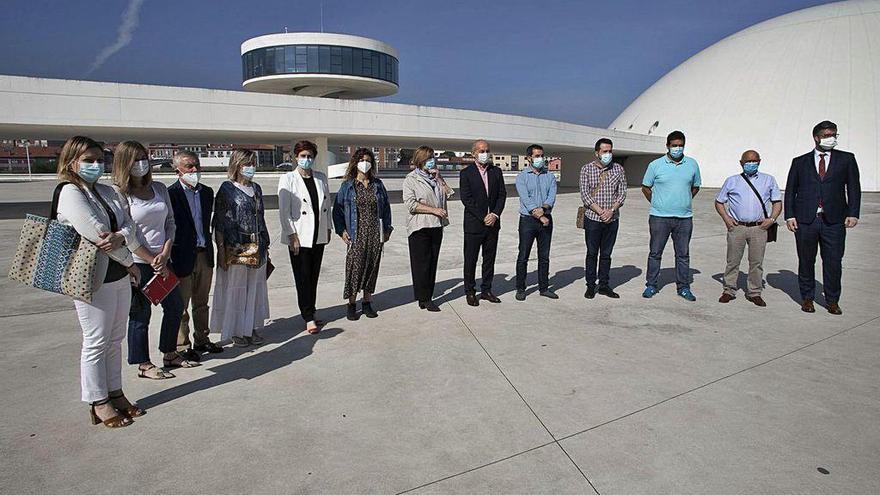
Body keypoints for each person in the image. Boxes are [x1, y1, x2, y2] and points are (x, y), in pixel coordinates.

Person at [56, 136, 150, 427]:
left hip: (119, 275)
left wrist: (122, 239)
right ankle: (98, 401)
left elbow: (129, 226)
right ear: (72, 162)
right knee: (96, 341)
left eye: (99, 160)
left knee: (114, 340)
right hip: (92, 278)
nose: (95, 165)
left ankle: (115, 392)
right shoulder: (70, 192)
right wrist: (129, 258)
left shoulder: (107, 192)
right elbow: (96, 235)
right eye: (88, 160)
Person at [113, 141, 192, 378]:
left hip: (163, 261)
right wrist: (150, 258)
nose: (141, 164)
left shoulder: (159, 188)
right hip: (138, 263)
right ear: (125, 163)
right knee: (140, 314)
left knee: (175, 306)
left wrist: (165, 252)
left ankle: (169, 352)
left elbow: (170, 222)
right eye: (135, 159)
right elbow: (127, 232)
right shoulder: (119, 194)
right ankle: (143, 364)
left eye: (144, 158)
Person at [785, 120, 861, 315]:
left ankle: (832, 300)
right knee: (806, 261)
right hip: (806, 220)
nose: (832, 139)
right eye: (827, 135)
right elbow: (791, 190)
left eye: (834, 135)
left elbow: (853, 188)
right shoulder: (800, 162)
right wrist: (789, 215)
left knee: (833, 262)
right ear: (816, 137)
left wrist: (853, 213)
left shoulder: (846, 159)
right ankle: (807, 298)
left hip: (834, 220)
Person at [211, 149, 271, 346]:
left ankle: (251, 326)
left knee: (255, 289)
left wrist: (266, 245)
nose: (251, 167)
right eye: (247, 163)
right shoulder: (227, 189)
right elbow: (219, 222)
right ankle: (237, 330)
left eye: (253, 163)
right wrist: (221, 250)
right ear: (237, 165)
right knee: (237, 289)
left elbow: (260, 218)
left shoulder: (257, 188)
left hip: (258, 246)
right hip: (237, 247)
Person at [168, 151, 222, 359]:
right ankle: (182, 346)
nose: (194, 170)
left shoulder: (207, 192)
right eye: (189, 166)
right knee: (181, 305)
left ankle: (202, 339)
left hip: (204, 254)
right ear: (177, 171)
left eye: (196, 166)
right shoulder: (171, 194)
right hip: (182, 256)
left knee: (201, 302)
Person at [715, 150, 782, 306]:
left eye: (754, 161)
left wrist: (771, 220)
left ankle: (754, 292)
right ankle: (729, 290)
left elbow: (777, 202)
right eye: (748, 161)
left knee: (756, 262)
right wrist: (726, 218)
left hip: (759, 228)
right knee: (732, 261)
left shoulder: (768, 180)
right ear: (741, 163)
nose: (751, 164)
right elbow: (719, 202)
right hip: (737, 227)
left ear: (759, 161)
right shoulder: (732, 181)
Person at [279, 140, 333, 333]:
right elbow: (284, 211)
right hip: (299, 236)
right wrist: (291, 234)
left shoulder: (321, 177)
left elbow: (327, 206)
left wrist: (328, 228)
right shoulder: (288, 179)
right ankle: (307, 316)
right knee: (302, 277)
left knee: (314, 276)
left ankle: (312, 310)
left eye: (309, 156)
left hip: (318, 234)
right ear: (296, 157)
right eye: (303, 156)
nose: (306, 159)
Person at [333, 148, 393, 321]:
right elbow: (337, 210)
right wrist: (341, 231)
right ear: (355, 163)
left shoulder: (378, 185)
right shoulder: (348, 186)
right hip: (356, 233)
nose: (364, 163)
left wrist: (387, 229)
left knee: (372, 267)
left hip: (375, 232)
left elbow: (386, 208)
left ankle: (367, 302)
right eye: (361, 160)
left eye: (367, 160)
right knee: (354, 268)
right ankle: (351, 304)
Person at [641, 130, 702, 301]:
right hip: (659, 217)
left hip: (684, 218)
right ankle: (651, 285)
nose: (677, 148)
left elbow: (695, 186)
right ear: (667, 146)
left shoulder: (692, 164)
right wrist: (657, 202)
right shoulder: (655, 165)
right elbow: (646, 187)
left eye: (680, 145)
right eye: (674, 145)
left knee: (682, 254)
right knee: (655, 253)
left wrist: (684, 200)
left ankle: (683, 287)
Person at [402, 146, 453, 311]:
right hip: (420, 226)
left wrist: (440, 179)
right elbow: (411, 204)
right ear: (420, 160)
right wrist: (434, 210)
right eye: (428, 158)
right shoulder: (411, 179)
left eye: (433, 158)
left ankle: (427, 295)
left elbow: (449, 194)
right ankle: (423, 298)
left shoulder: (435, 177)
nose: (432, 161)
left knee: (432, 262)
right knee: (421, 264)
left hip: (437, 225)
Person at [460, 139, 507, 306]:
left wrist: (494, 214)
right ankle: (470, 291)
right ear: (474, 154)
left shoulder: (496, 171)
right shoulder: (466, 173)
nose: (484, 153)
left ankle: (486, 290)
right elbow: (467, 199)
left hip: (493, 224)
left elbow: (502, 195)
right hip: (474, 224)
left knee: (489, 259)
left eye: (487, 150)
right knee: (471, 260)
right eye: (481, 151)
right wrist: (483, 216)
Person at [580, 138, 627, 299]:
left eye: (610, 151)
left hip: (612, 219)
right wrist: (601, 212)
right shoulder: (586, 169)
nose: (608, 154)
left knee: (606, 254)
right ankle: (590, 285)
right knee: (592, 253)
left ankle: (604, 285)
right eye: (605, 151)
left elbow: (622, 193)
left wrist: (612, 210)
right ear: (597, 153)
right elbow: (585, 195)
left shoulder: (618, 169)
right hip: (593, 218)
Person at [514, 144, 558, 300]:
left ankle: (544, 287)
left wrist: (544, 210)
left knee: (544, 256)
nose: (540, 159)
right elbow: (525, 199)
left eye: (542, 156)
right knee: (523, 255)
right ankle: (520, 288)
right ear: (529, 158)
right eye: (537, 156)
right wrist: (539, 215)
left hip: (546, 219)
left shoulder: (550, 176)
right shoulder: (522, 177)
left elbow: (551, 197)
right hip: (528, 221)